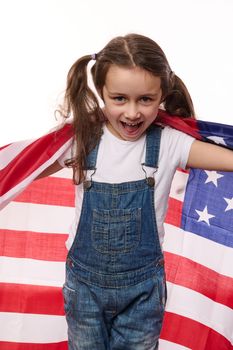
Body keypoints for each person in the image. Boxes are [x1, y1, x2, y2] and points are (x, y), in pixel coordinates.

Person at [39, 33, 233, 350]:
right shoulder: (82, 138)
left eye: (145, 99)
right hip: (84, 287)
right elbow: (26, 168)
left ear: (162, 95)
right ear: (101, 92)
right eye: (119, 99)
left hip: (143, 291)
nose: (132, 113)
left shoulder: (170, 143)